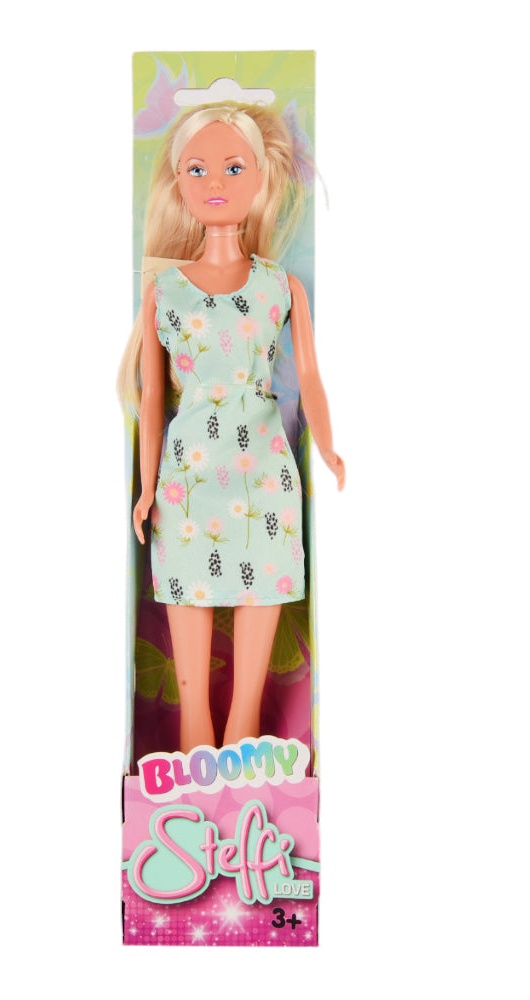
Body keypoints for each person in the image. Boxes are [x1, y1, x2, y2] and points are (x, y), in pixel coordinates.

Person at [119, 101, 344, 753]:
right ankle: (193, 760)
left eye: (233, 167)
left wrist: (329, 447)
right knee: (189, 644)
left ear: (261, 177)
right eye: (197, 169)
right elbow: (152, 398)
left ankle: (244, 754)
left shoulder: (280, 286)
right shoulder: (165, 290)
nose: (215, 181)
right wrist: (146, 488)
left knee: (256, 630)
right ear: (179, 182)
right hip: (187, 478)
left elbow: (311, 376)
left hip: (263, 474)